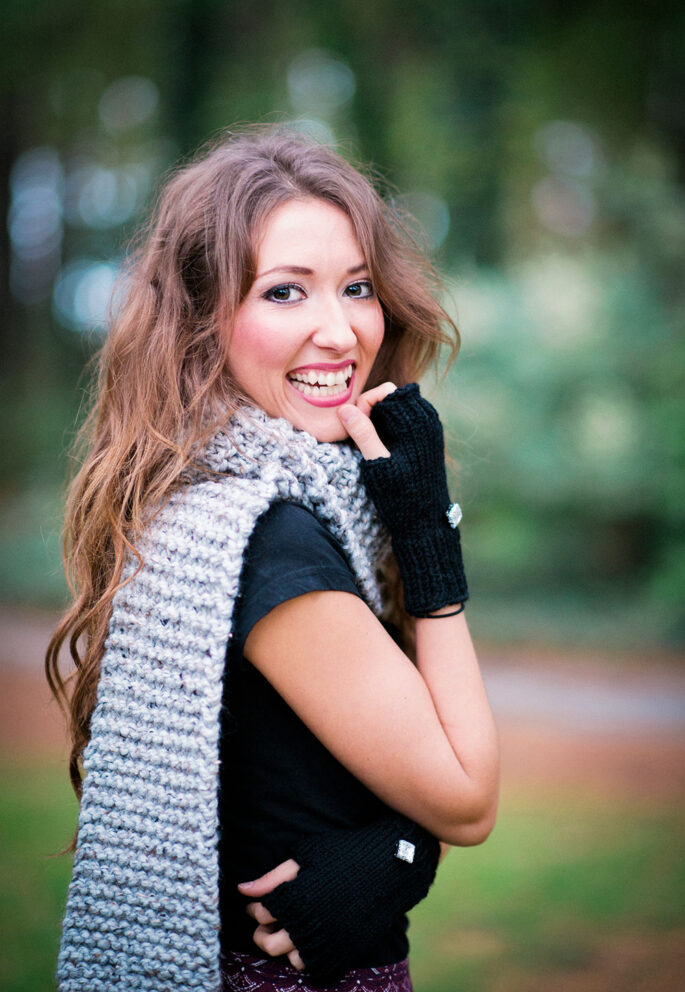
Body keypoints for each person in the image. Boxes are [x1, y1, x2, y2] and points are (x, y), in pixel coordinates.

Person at [46, 127, 499, 992]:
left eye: (357, 287)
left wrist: (396, 853)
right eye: (285, 291)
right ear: (199, 321)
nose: (340, 330)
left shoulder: (213, 503)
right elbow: (467, 795)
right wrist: (431, 545)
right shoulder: (263, 536)